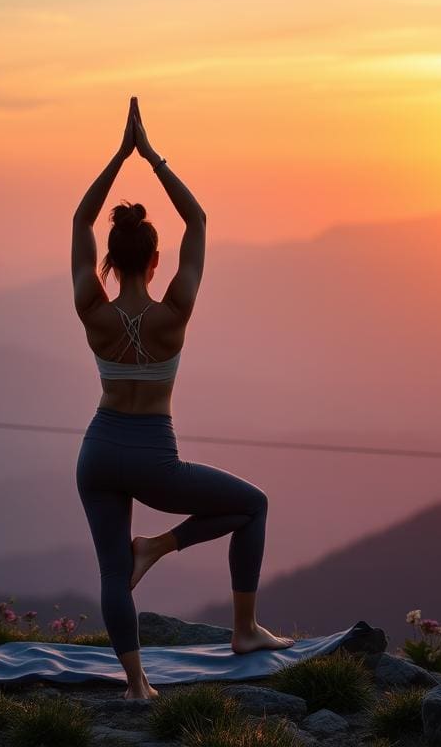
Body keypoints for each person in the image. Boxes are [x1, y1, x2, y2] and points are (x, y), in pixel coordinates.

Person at [71, 96, 295, 700]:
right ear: (155, 259)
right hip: (153, 459)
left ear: (111, 264)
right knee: (253, 506)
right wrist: (152, 158)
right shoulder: (175, 312)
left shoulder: (93, 310)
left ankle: (138, 685)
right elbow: (197, 221)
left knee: (114, 572)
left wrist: (118, 158)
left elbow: (79, 224)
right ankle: (243, 629)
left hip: (97, 454)